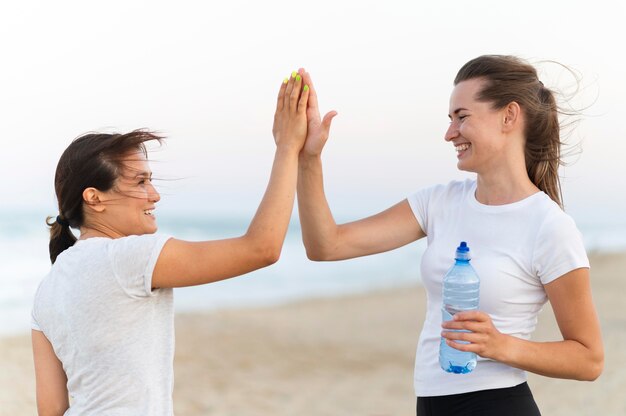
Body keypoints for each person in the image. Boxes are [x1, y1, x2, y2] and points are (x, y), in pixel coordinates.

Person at [297, 55, 604, 415]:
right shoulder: (438, 203)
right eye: (450, 119)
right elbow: (326, 246)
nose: (449, 133)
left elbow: (589, 359)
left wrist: (501, 345)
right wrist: (308, 158)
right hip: (430, 403)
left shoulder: (549, 226)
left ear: (509, 116)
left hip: (497, 404)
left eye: (462, 117)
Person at [31, 70, 310, 415]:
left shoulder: (46, 290)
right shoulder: (127, 259)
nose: (155, 194)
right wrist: (289, 147)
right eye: (141, 181)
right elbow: (262, 248)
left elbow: (51, 408)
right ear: (95, 198)